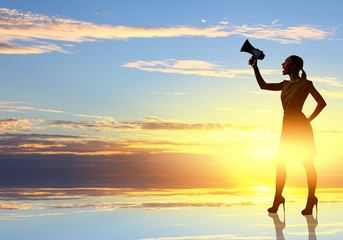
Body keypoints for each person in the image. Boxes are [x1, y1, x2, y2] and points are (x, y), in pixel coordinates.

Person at [250, 55, 326, 215]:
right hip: (288, 126)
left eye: (286, 61)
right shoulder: (284, 85)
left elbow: (322, 103)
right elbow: (263, 85)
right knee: (280, 164)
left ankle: (311, 199)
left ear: (294, 66)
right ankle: (278, 198)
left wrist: (308, 121)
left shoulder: (306, 84)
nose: (282, 63)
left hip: (301, 126)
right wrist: (255, 67)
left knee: (307, 164)